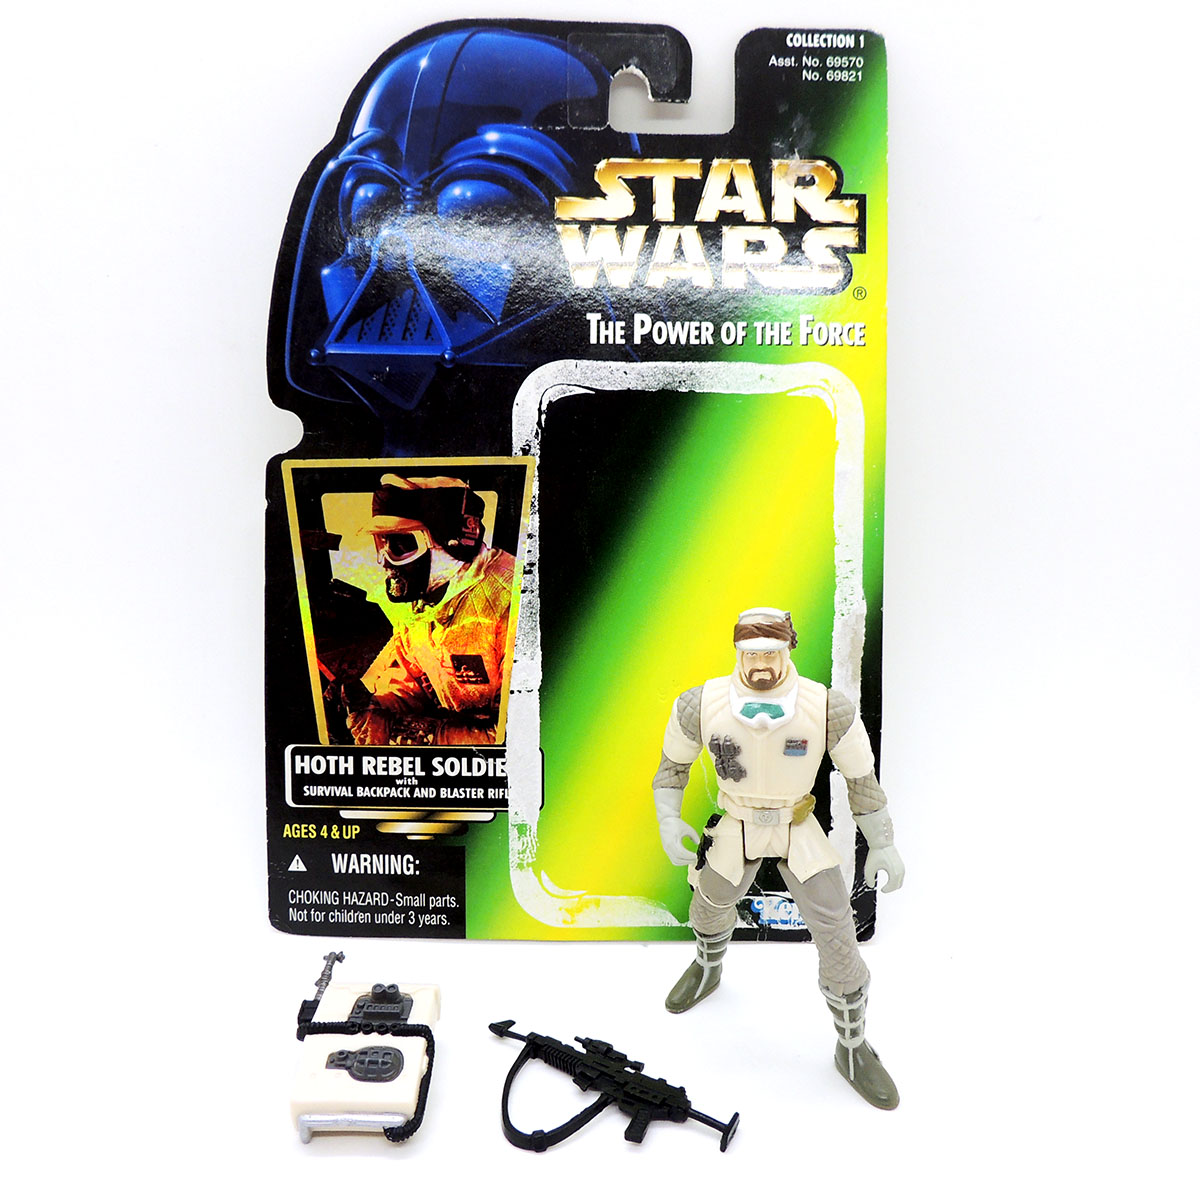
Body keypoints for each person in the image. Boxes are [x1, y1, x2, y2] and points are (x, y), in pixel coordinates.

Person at [652, 606, 905, 1108]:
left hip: (797, 825)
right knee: (708, 902)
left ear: (788, 649)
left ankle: (852, 1047)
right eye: (751, 654)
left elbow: (861, 780)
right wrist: (668, 819)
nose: (761, 664)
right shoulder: (701, 704)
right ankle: (707, 967)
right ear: (737, 653)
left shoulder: (826, 707)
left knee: (837, 929)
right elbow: (672, 767)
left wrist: (882, 842)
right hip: (737, 823)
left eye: (771, 652)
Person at [342, 474, 515, 745]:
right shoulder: (421, 605)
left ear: (451, 543)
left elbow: (522, 731)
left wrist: (431, 736)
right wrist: (374, 708)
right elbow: (412, 680)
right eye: (383, 543)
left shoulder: (512, 601)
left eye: (401, 545)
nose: (385, 562)